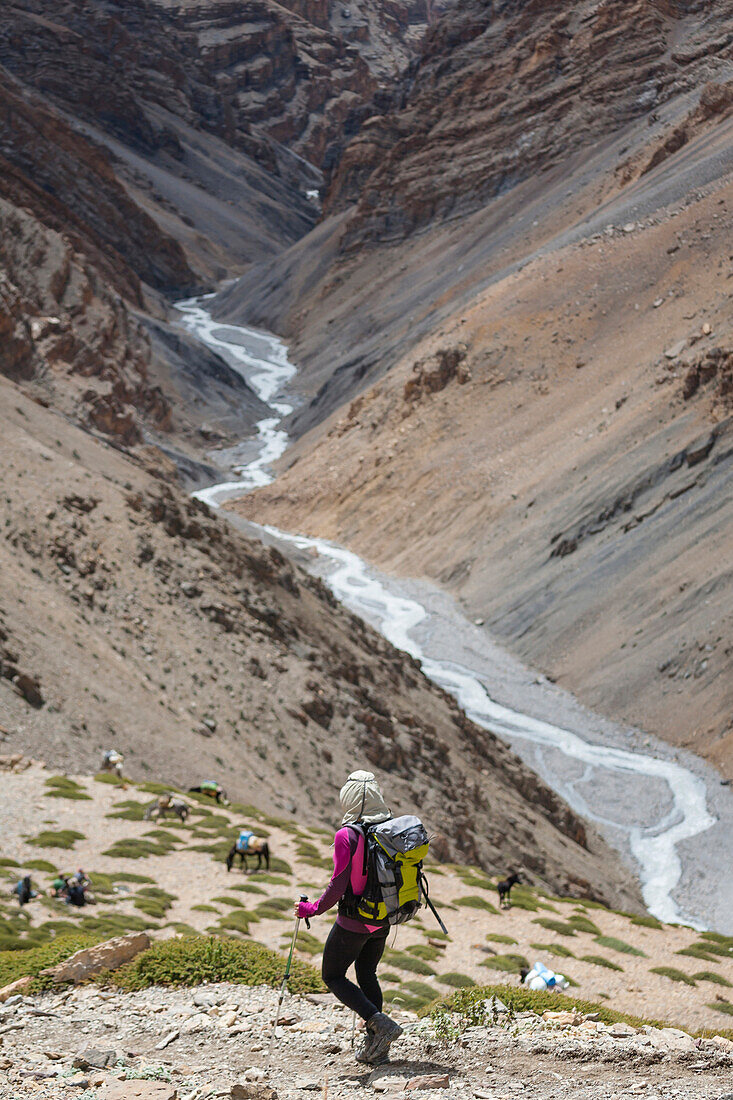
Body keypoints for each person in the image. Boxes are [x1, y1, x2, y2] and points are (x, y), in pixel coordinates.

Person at [294, 771, 403, 1066]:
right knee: (367, 973)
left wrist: (312, 909)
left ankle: (380, 1026)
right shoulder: (391, 830)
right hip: (383, 918)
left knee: (332, 975)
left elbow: (339, 883)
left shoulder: (347, 835)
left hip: (355, 919)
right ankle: (377, 1048)